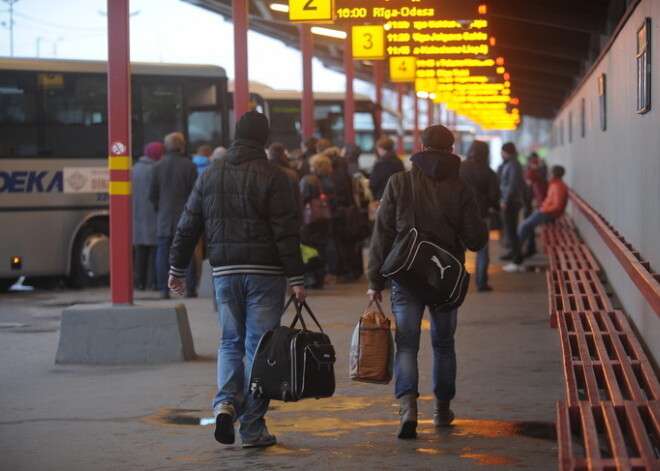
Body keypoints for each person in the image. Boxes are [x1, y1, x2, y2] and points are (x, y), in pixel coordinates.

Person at [167, 110, 306, 449]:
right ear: (263, 138)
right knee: (259, 348)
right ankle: (253, 428)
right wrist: (297, 276)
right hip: (266, 274)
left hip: (225, 273)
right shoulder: (274, 176)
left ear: (235, 135)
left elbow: (188, 224)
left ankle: (225, 403)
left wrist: (177, 268)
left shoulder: (211, 174)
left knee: (230, 341)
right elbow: (285, 231)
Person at [367, 124, 488, 439]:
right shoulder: (461, 188)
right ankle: (442, 409)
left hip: (406, 276)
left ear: (419, 147)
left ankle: (408, 406)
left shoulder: (399, 182)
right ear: (451, 151)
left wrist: (374, 279)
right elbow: (476, 241)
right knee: (444, 345)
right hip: (445, 279)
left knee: (407, 344)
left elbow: (383, 234)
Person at [148, 132, 198, 299]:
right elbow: (196, 194)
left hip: (164, 218)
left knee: (163, 253)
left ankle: (163, 289)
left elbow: (152, 195)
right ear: (182, 145)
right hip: (185, 217)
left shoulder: (157, 166)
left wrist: (160, 209)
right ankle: (190, 288)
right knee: (187, 251)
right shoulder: (189, 166)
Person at [459, 140, 500, 292]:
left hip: (461, 215)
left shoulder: (460, 168)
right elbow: (495, 194)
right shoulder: (488, 171)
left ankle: (455, 280)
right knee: (483, 250)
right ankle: (481, 283)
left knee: (458, 249)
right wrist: (489, 203)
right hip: (482, 214)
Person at [515, 165, 568, 263]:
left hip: (549, 214)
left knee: (524, 227)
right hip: (547, 212)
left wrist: (543, 209)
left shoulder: (557, 186)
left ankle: (516, 257)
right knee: (526, 226)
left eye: (550, 172)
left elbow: (557, 206)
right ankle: (519, 252)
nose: (548, 174)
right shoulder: (555, 184)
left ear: (553, 174)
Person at [299, 153, 335, 289]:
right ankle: (320, 277)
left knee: (309, 248)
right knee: (322, 247)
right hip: (325, 219)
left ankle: (310, 277)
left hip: (310, 220)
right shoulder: (329, 182)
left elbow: (302, 200)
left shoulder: (307, 180)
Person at [132, 141, 163, 291]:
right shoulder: (155, 168)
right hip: (153, 213)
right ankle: (153, 282)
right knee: (154, 249)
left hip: (137, 213)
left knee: (141, 249)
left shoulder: (135, 168)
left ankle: (139, 282)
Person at [498, 142, 527, 272]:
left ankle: (517, 260)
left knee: (511, 231)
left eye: (502, 151)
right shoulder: (512, 163)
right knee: (510, 230)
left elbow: (512, 185)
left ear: (506, 152)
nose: (501, 154)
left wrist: (505, 200)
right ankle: (513, 254)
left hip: (511, 202)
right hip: (511, 201)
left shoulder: (513, 165)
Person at [369, 136, 405, 202]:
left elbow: (374, 183)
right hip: (398, 196)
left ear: (381, 148)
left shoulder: (380, 163)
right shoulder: (399, 161)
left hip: (382, 197)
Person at [267, 141, 300, 208]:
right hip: (289, 212)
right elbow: (297, 199)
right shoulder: (291, 173)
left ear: (269, 154)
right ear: (283, 154)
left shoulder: (264, 171)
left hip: (269, 214)